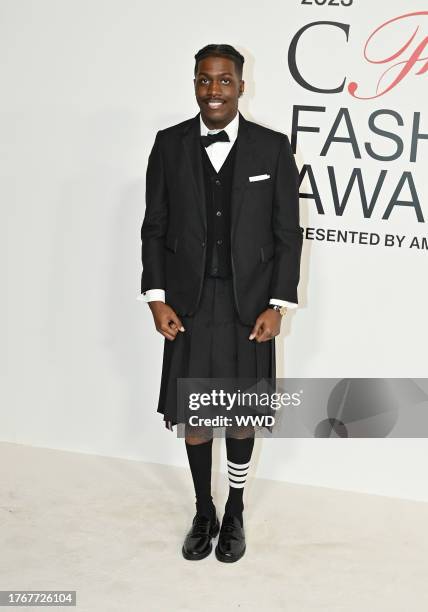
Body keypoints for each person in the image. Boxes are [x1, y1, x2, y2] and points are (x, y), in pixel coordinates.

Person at [139, 44, 302, 562]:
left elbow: (287, 235)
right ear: (194, 84)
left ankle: (234, 510)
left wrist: (278, 304)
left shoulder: (272, 149)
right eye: (205, 80)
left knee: (238, 412)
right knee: (196, 414)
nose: (214, 90)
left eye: (224, 80)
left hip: (249, 304)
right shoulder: (168, 145)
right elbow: (155, 227)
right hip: (187, 305)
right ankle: (202, 510)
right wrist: (156, 297)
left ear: (241, 85)